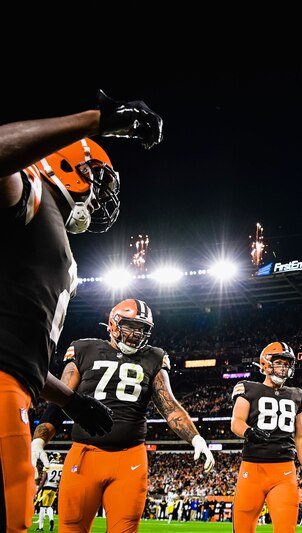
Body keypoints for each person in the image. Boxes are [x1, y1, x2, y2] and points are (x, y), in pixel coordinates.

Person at [0, 89, 162, 532]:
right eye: (96, 177)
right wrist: (94, 121)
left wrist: (71, 400)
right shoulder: (31, 193)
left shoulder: (50, 227)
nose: (98, 192)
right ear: (67, 165)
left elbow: (21, 352)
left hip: (17, 385)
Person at [30, 298, 215, 533]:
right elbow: (60, 397)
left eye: (143, 329)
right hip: (84, 454)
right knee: (71, 528)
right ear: (114, 323)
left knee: (125, 529)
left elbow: (169, 405)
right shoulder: (84, 349)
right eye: (131, 327)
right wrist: (39, 441)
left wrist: (196, 438)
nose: (137, 334)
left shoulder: (154, 357)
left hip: (130, 458)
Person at [230, 341, 302, 533]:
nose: (283, 368)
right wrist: (249, 432)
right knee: (243, 529)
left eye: (287, 364)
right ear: (266, 363)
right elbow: (236, 422)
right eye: (279, 362)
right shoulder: (248, 388)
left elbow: (301, 436)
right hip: (252, 469)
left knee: (286, 529)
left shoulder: (297, 395)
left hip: (284, 471)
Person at [34, 453, 63, 532]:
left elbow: (43, 481)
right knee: (49, 506)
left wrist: (37, 491)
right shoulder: (62, 466)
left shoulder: (48, 466)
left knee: (42, 506)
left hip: (47, 487)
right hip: (54, 488)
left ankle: (40, 527)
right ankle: (51, 519)